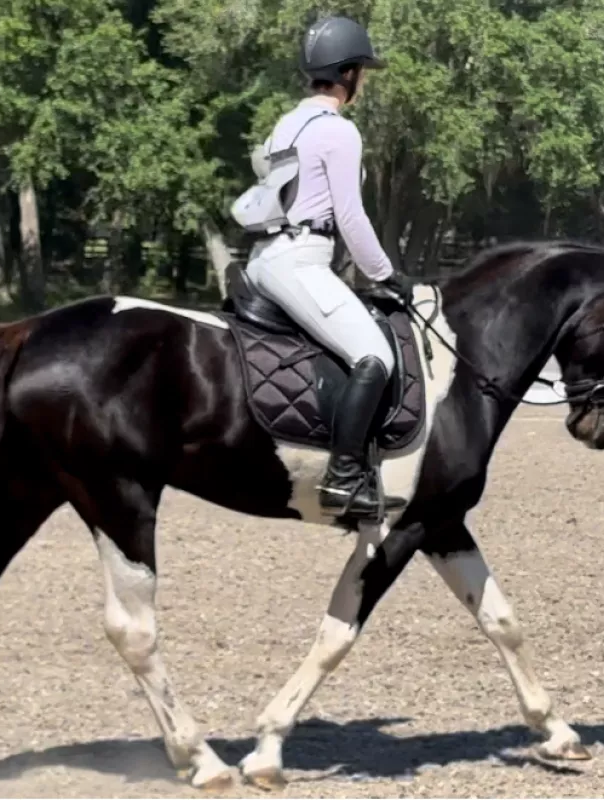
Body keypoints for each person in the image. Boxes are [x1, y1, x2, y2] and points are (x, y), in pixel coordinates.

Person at [230, 15, 413, 519]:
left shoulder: (287, 122)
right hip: (300, 259)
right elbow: (350, 217)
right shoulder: (338, 132)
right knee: (376, 356)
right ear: (349, 72)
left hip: (265, 258)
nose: (364, 82)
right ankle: (344, 479)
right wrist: (384, 274)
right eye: (363, 72)